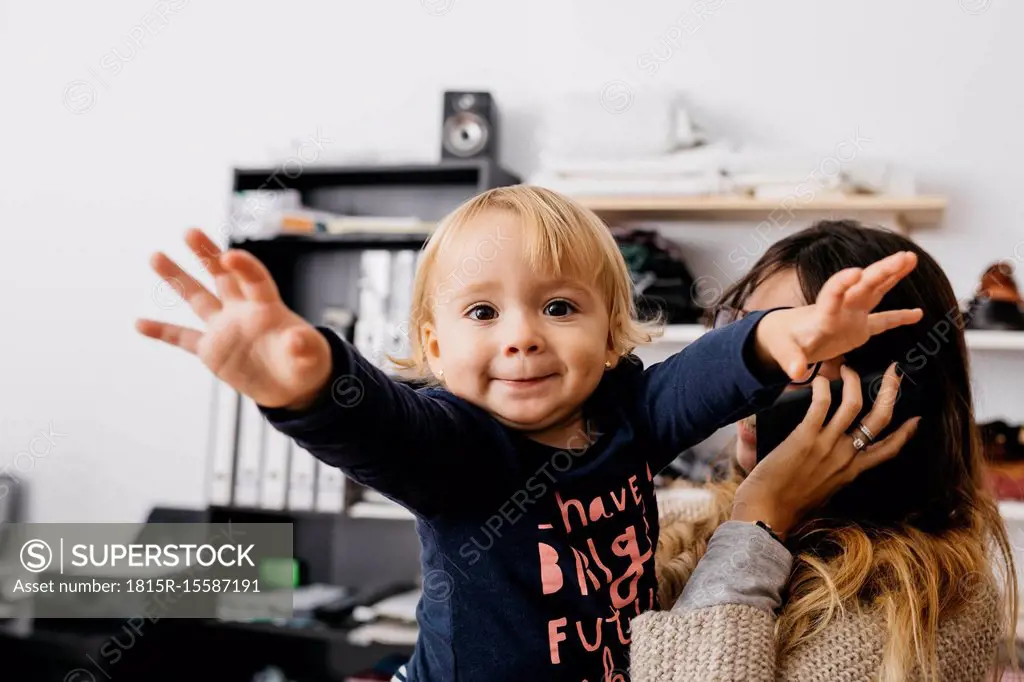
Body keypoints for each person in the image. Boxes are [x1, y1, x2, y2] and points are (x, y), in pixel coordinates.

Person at [136, 188, 923, 682]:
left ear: (612, 333)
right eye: (483, 313)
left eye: (558, 308)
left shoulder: (628, 415)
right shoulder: (461, 450)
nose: (521, 337)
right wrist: (308, 384)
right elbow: (385, 429)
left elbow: (699, 376)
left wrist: (778, 336)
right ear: (436, 349)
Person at [629, 220, 1019, 682]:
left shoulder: (933, 605)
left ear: (890, 392)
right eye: (750, 339)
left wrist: (757, 522)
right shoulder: (689, 523)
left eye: (805, 347)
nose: (750, 386)